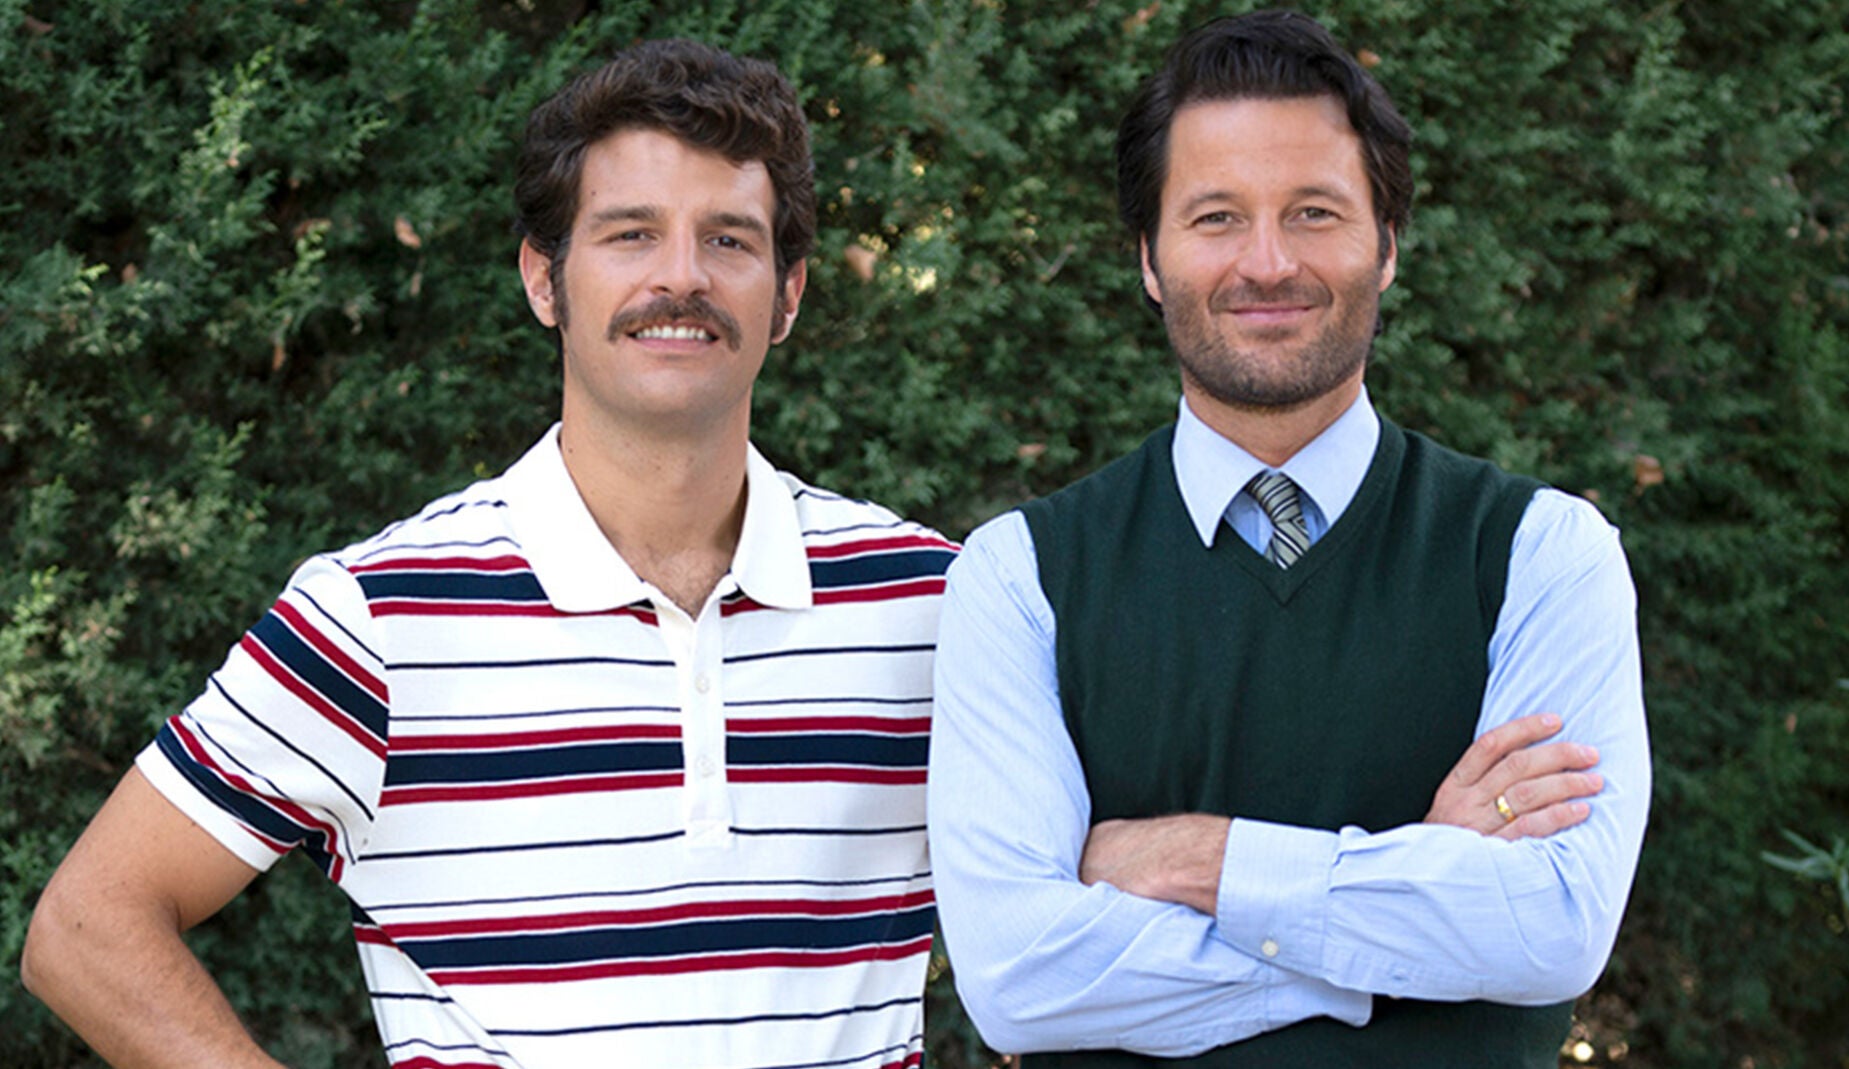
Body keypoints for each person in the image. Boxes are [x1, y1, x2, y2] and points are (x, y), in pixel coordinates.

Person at [22, 39, 954, 1069]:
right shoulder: (379, 616)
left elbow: (1072, 866)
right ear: (543, 280)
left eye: (729, 240)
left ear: (787, 294)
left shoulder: (930, 601)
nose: (681, 277)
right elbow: (85, 928)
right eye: (629, 234)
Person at [927, 10, 1649, 1067]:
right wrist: (1417, 893)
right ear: (1148, 258)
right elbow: (1020, 981)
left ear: (1387, 246)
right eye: (1216, 217)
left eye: (1314, 212)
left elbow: (1552, 928)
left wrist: (1196, 859)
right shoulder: (1020, 575)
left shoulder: (1541, 555)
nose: (1267, 262)